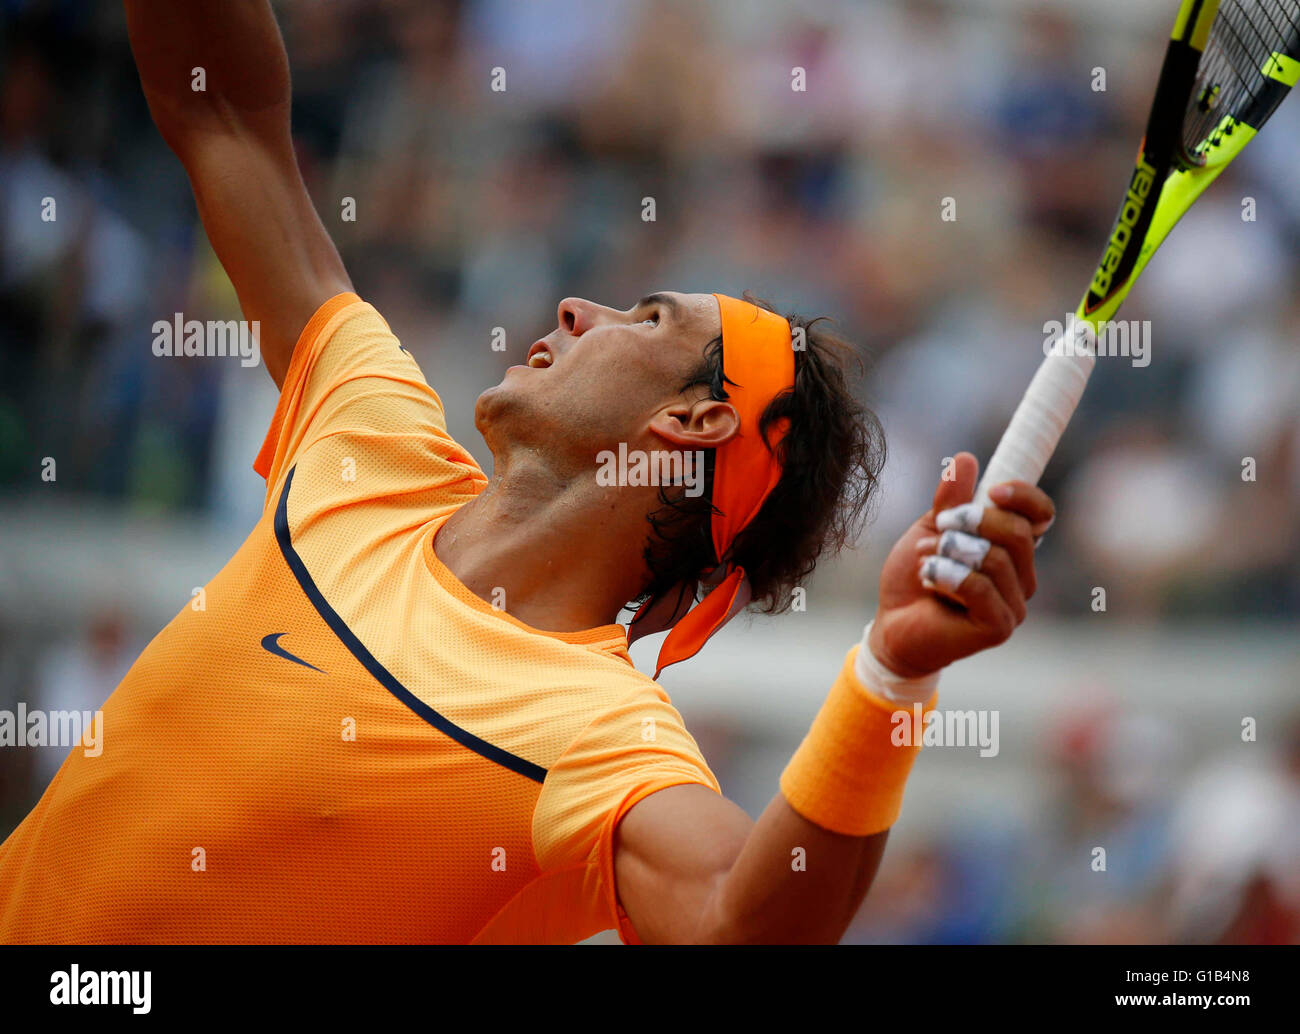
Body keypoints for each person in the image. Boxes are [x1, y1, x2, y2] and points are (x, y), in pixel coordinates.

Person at [0, 1, 1053, 944]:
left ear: (693, 419)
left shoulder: (596, 734)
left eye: (644, 318)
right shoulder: (374, 436)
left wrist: (892, 678)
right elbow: (224, 115)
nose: (573, 309)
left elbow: (742, 920)